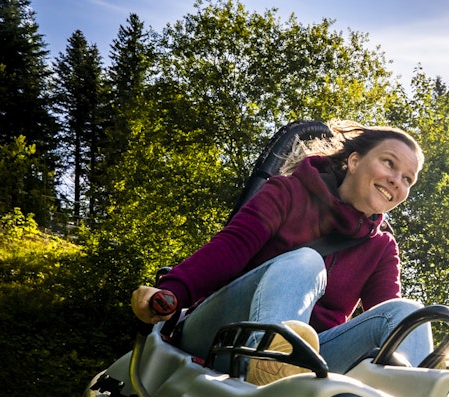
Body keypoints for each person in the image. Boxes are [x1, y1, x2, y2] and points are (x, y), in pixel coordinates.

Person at [130, 121, 433, 383]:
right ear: (354, 161)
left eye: (408, 179)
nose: (397, 181)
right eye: (389, 163)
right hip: (224, 336)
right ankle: (271, 360)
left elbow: (385, 320)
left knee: (408, 314)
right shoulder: (288, 192)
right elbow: (230, 249)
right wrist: (174, 290)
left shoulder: (382, 248)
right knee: (306, 262)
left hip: (310, 362)